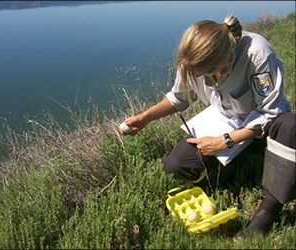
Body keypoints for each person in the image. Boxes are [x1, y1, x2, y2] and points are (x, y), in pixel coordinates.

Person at [120, 15, 295, 241]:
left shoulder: (257, 54)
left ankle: (268, 209)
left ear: (226, 58)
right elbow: (179, 97)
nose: (196, 76)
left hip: (261, 129)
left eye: (202, 72)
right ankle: (232, 168)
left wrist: (226, 141)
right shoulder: (193, 61)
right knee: (176, 163)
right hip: (224, 122)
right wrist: (145, 117)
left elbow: (270, 112)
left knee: (291, 126)